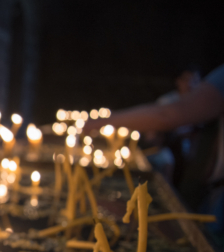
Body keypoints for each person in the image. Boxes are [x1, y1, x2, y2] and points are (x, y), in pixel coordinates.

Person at [85, 64, 224, 229]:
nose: (191, 84)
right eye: (187, 79)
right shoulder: (170, 100)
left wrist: (101, 122)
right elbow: (165, 118)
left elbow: (168, 116)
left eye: (195, 79)